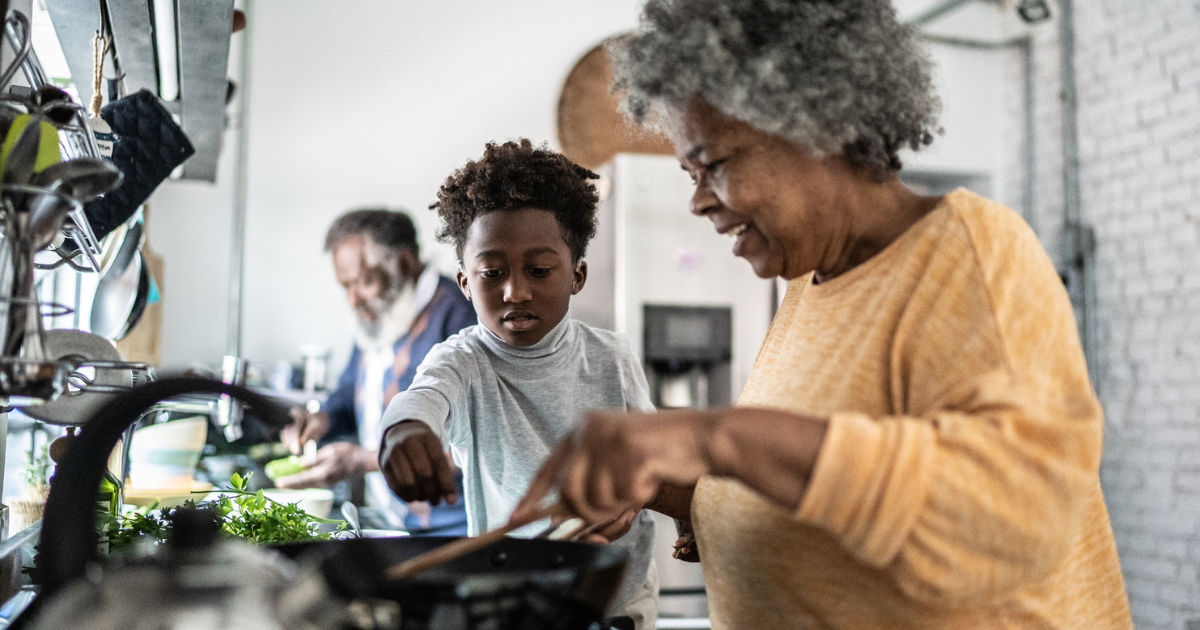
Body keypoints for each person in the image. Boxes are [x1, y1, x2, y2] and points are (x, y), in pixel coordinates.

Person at [511, 1, 1134, 628]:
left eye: (714, 165)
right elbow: (812, 487)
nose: (698, 201)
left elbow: (1014, 515)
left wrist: (707, 436)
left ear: (820, 125)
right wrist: (660, 481)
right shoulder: (811, 284)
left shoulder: (970, 251)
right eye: (689, 172)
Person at [377, 140, 659, 629]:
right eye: (492, 272)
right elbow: (421, 399)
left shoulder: (612, 357)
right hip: (518, 610)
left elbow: (656, 458)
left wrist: (641, 496)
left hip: (622, 603)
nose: (516, 291)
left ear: (577, 275)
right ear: (465, 283)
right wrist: (402, 429)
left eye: (540, 270)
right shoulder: (462, 361)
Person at [277, 209, 474, 535]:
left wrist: (363, 461)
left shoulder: (459, 318)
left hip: (454, 531)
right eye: (345, 287)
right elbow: (348, 391)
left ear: (406, 263)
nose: (353, 300)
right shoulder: (379, 316)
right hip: (394, 522)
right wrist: (320, 419)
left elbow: (477, 441)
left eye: (364, 282)